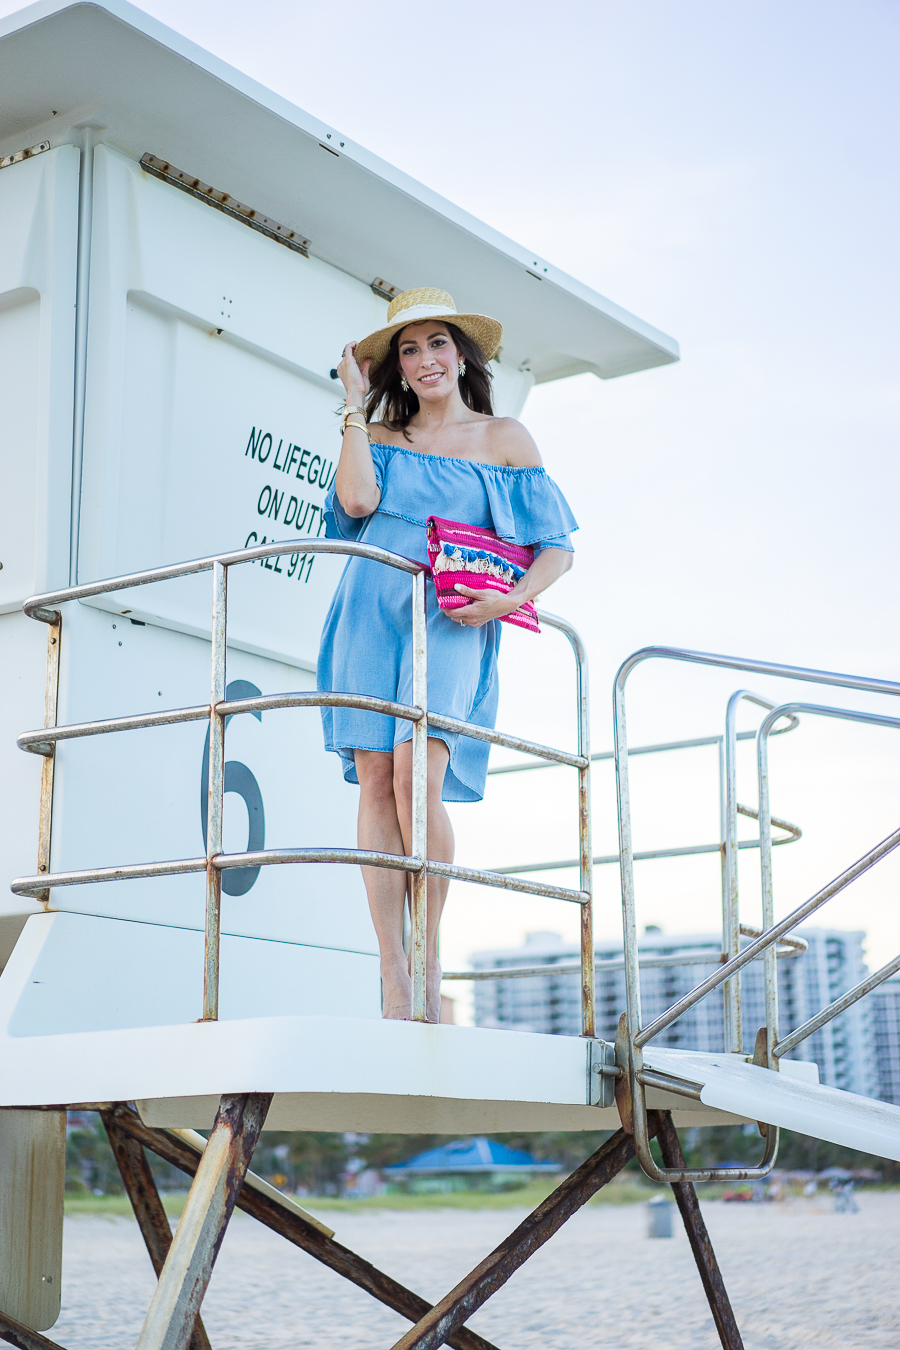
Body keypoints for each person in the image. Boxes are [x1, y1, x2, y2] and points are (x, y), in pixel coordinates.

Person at [318, 288, 577, 1022]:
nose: (425, 359)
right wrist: (353, 408)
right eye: (409, 349)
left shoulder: (505, 437)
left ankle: (428, 960)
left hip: (453, 618)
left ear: (462, 355)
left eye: (437, 343)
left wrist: (505, 602)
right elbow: (357, 505)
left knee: (415, 777)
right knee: (376, 781)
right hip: (369, 608)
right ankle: (392, 972)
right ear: (396, 367)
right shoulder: (380, 433)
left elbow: (557, 548)